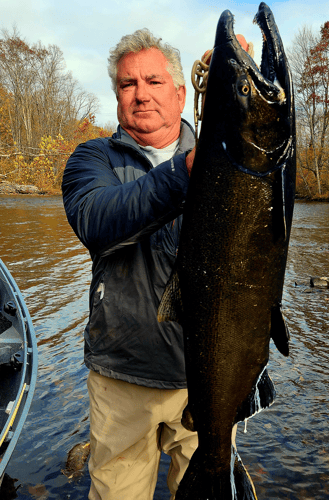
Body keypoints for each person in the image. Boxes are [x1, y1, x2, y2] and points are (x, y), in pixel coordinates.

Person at [62, 29, 196, 500]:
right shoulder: (92, 158)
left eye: (154, 81)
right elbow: (98, 219)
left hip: (205, 375)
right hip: (121, 377)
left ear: (180, 93)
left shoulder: (222, 161)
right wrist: (186, 173)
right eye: (127, 84)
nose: (140, 94)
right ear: (117, 95)